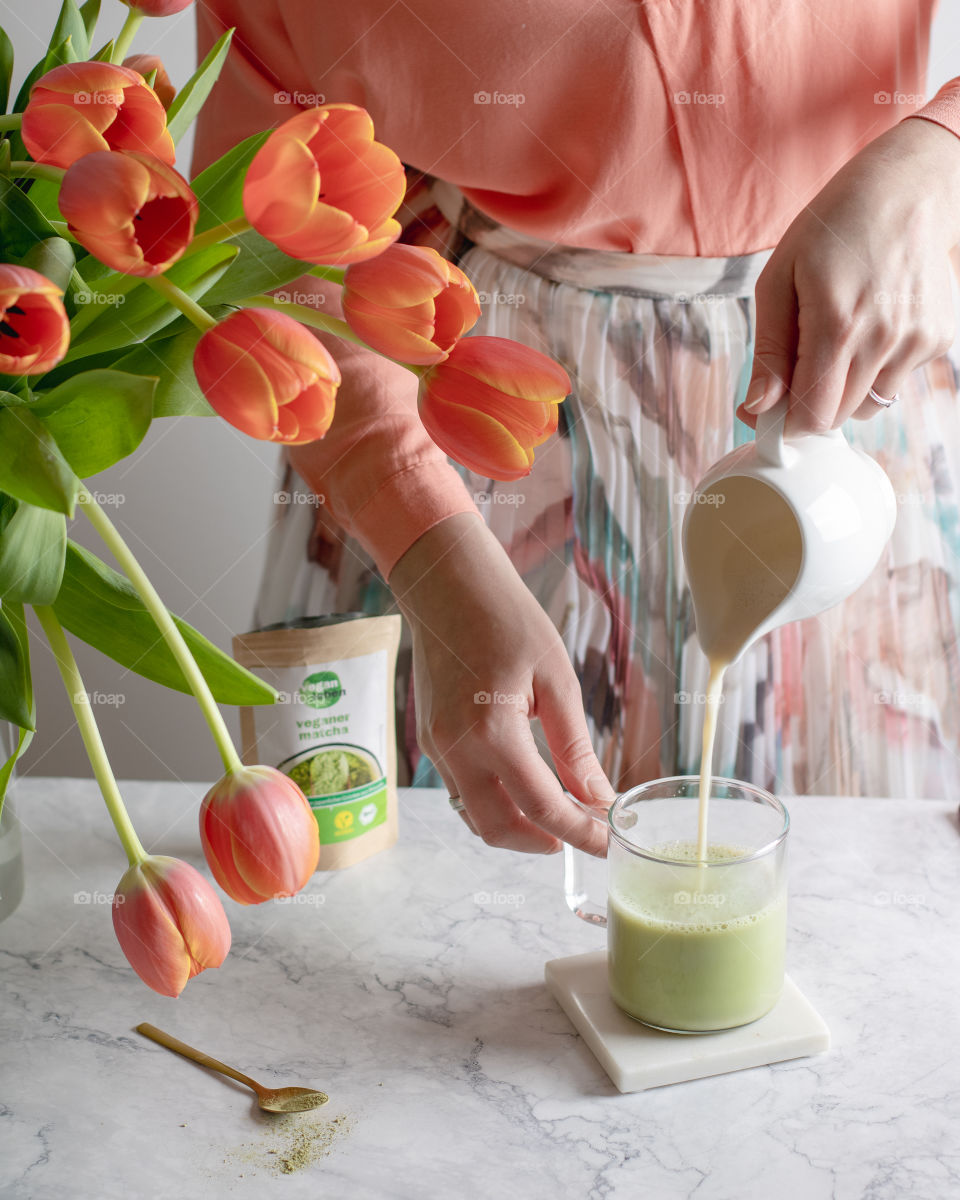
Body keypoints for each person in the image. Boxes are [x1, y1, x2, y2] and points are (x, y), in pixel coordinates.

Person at [195, 2, 960, 858]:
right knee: (469, 898)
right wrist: (433, 558)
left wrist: (942, 153)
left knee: (845, 899)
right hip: (463, 428)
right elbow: (269, 211)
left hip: (850, 380)